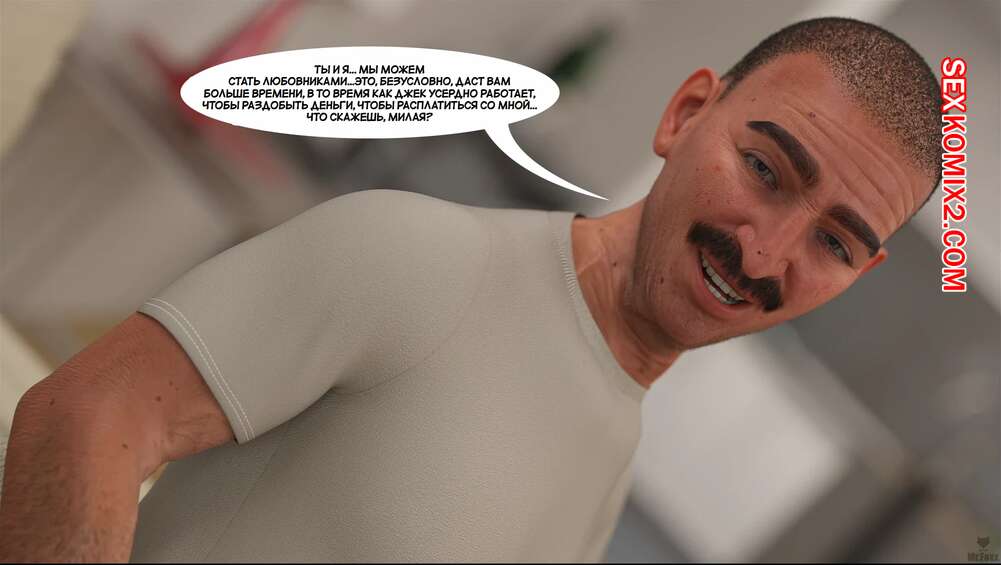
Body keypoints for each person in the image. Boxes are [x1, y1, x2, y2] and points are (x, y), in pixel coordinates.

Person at [0, 17, 942, 562]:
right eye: (764, 169)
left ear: (859, 274)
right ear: (685, 114)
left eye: (832, 241)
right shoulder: (417, 257)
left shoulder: (608, 458)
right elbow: (81, 417)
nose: (767, 254)